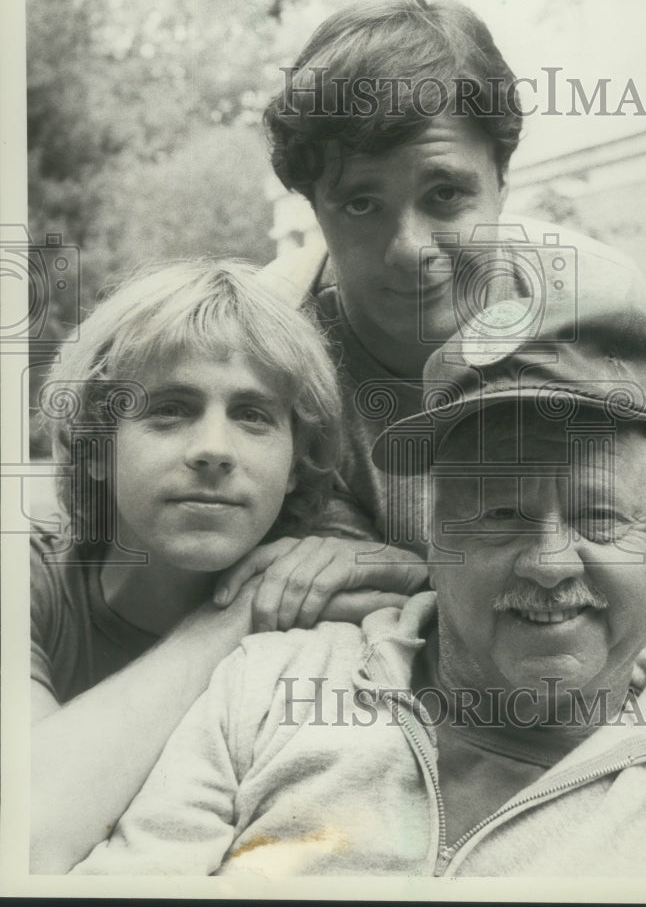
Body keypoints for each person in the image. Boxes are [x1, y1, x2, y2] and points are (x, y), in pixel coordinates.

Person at [69, 304, 646, 879]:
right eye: (499, 515)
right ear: (433, 538)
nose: (550, 562)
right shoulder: (267, 687)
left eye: (602, 518)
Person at [217, 0, 646, 657]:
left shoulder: (596, 302)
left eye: (445, 193)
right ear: (313, 210)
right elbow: (282, 597)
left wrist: (396, 571)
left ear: (501, 177)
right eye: (360, 203)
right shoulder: (269, 342)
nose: (409, 247)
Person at [30, 257, 414, 874]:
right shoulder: (27, 582)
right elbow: (18, 840)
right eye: (171, 410)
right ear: (97, 447)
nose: (213, 449)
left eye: (253, 415)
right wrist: (225, 624)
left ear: (296, 465)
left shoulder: (324, 606)